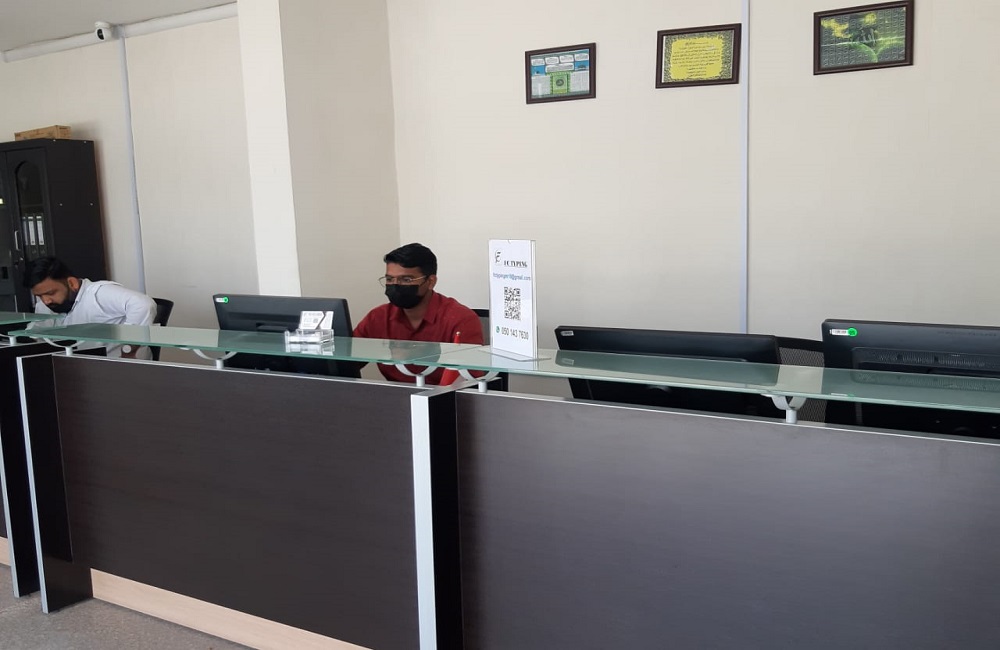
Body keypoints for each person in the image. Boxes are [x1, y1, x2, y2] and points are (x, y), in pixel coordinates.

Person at [354, 243, 483, 384]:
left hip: (445, 395)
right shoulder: (378, 317)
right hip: (394, 395)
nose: (396, 285)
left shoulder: (460, 319)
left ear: (430, 282)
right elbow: (347, 362)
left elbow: (471, 379)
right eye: (390, 279)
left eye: (406, 280)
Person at [25, 256, 158, 359]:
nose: (46, 301)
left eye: (51, 293)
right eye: (39, 296)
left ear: (71, 283)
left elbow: (144, 304)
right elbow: (37, 335)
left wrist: (128, 349)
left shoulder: (98, 293)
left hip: (118, 369)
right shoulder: (45, 304)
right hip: (73, 370)